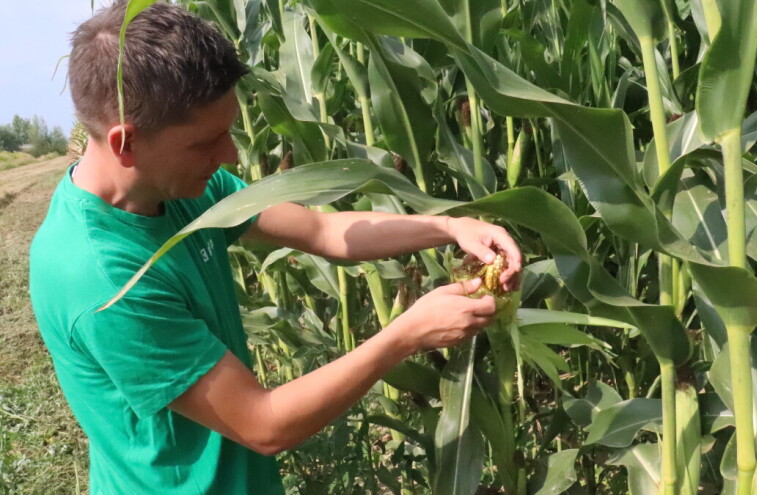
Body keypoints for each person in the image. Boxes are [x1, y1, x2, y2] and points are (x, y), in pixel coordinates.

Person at [28, 2, 522, 494]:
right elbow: (263, 424)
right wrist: (406, 335)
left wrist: (450, 226)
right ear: (125, 144)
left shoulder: (173, 188)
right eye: (207, 142)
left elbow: (321, 232)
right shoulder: (104, 280)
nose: (230, 155)